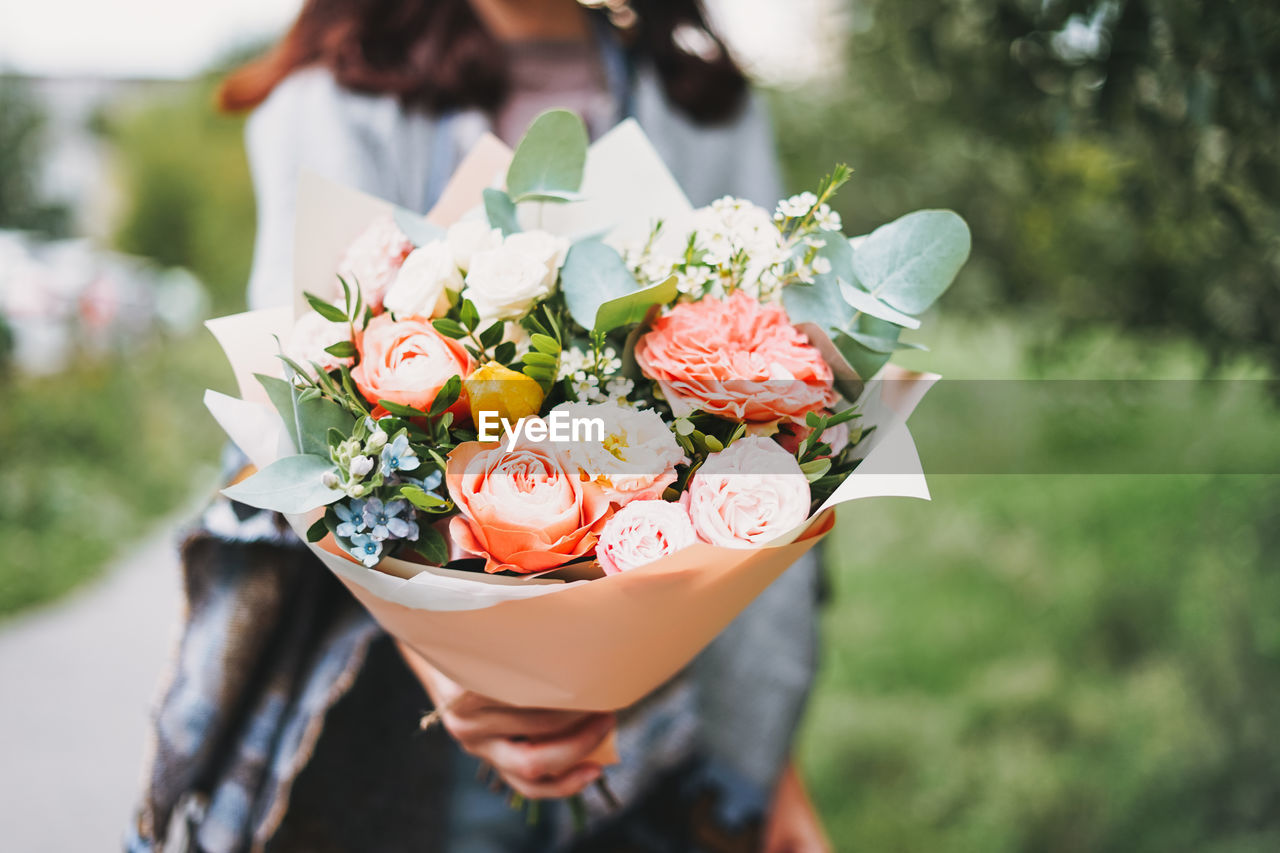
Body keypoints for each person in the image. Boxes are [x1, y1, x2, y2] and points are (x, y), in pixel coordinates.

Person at [129, 1, 830, 850]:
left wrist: (772, 766)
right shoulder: (335, 96)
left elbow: (779, 436)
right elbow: (301, 409)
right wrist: (469, 679)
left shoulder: (702, 101)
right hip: (403, 708)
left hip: (674, 714)